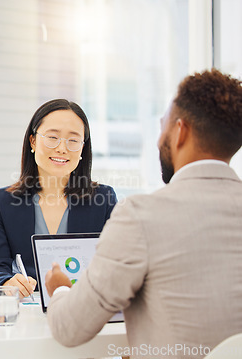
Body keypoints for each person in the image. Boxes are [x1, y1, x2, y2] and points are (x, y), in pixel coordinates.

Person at [46, 69, 242, 357]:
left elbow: (69, 328)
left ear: (180, 131)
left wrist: (61, 290)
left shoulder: (140, 216)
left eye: (162, 125)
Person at [0, 99, 117, 298]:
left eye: (73, 140)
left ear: (82, 148)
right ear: (33, 141)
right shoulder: (2, 201)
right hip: (27, 312)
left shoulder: (104, 199)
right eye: (53, 137)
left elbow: (117, 263)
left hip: (83, 307)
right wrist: (7, 282)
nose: (62, 148)